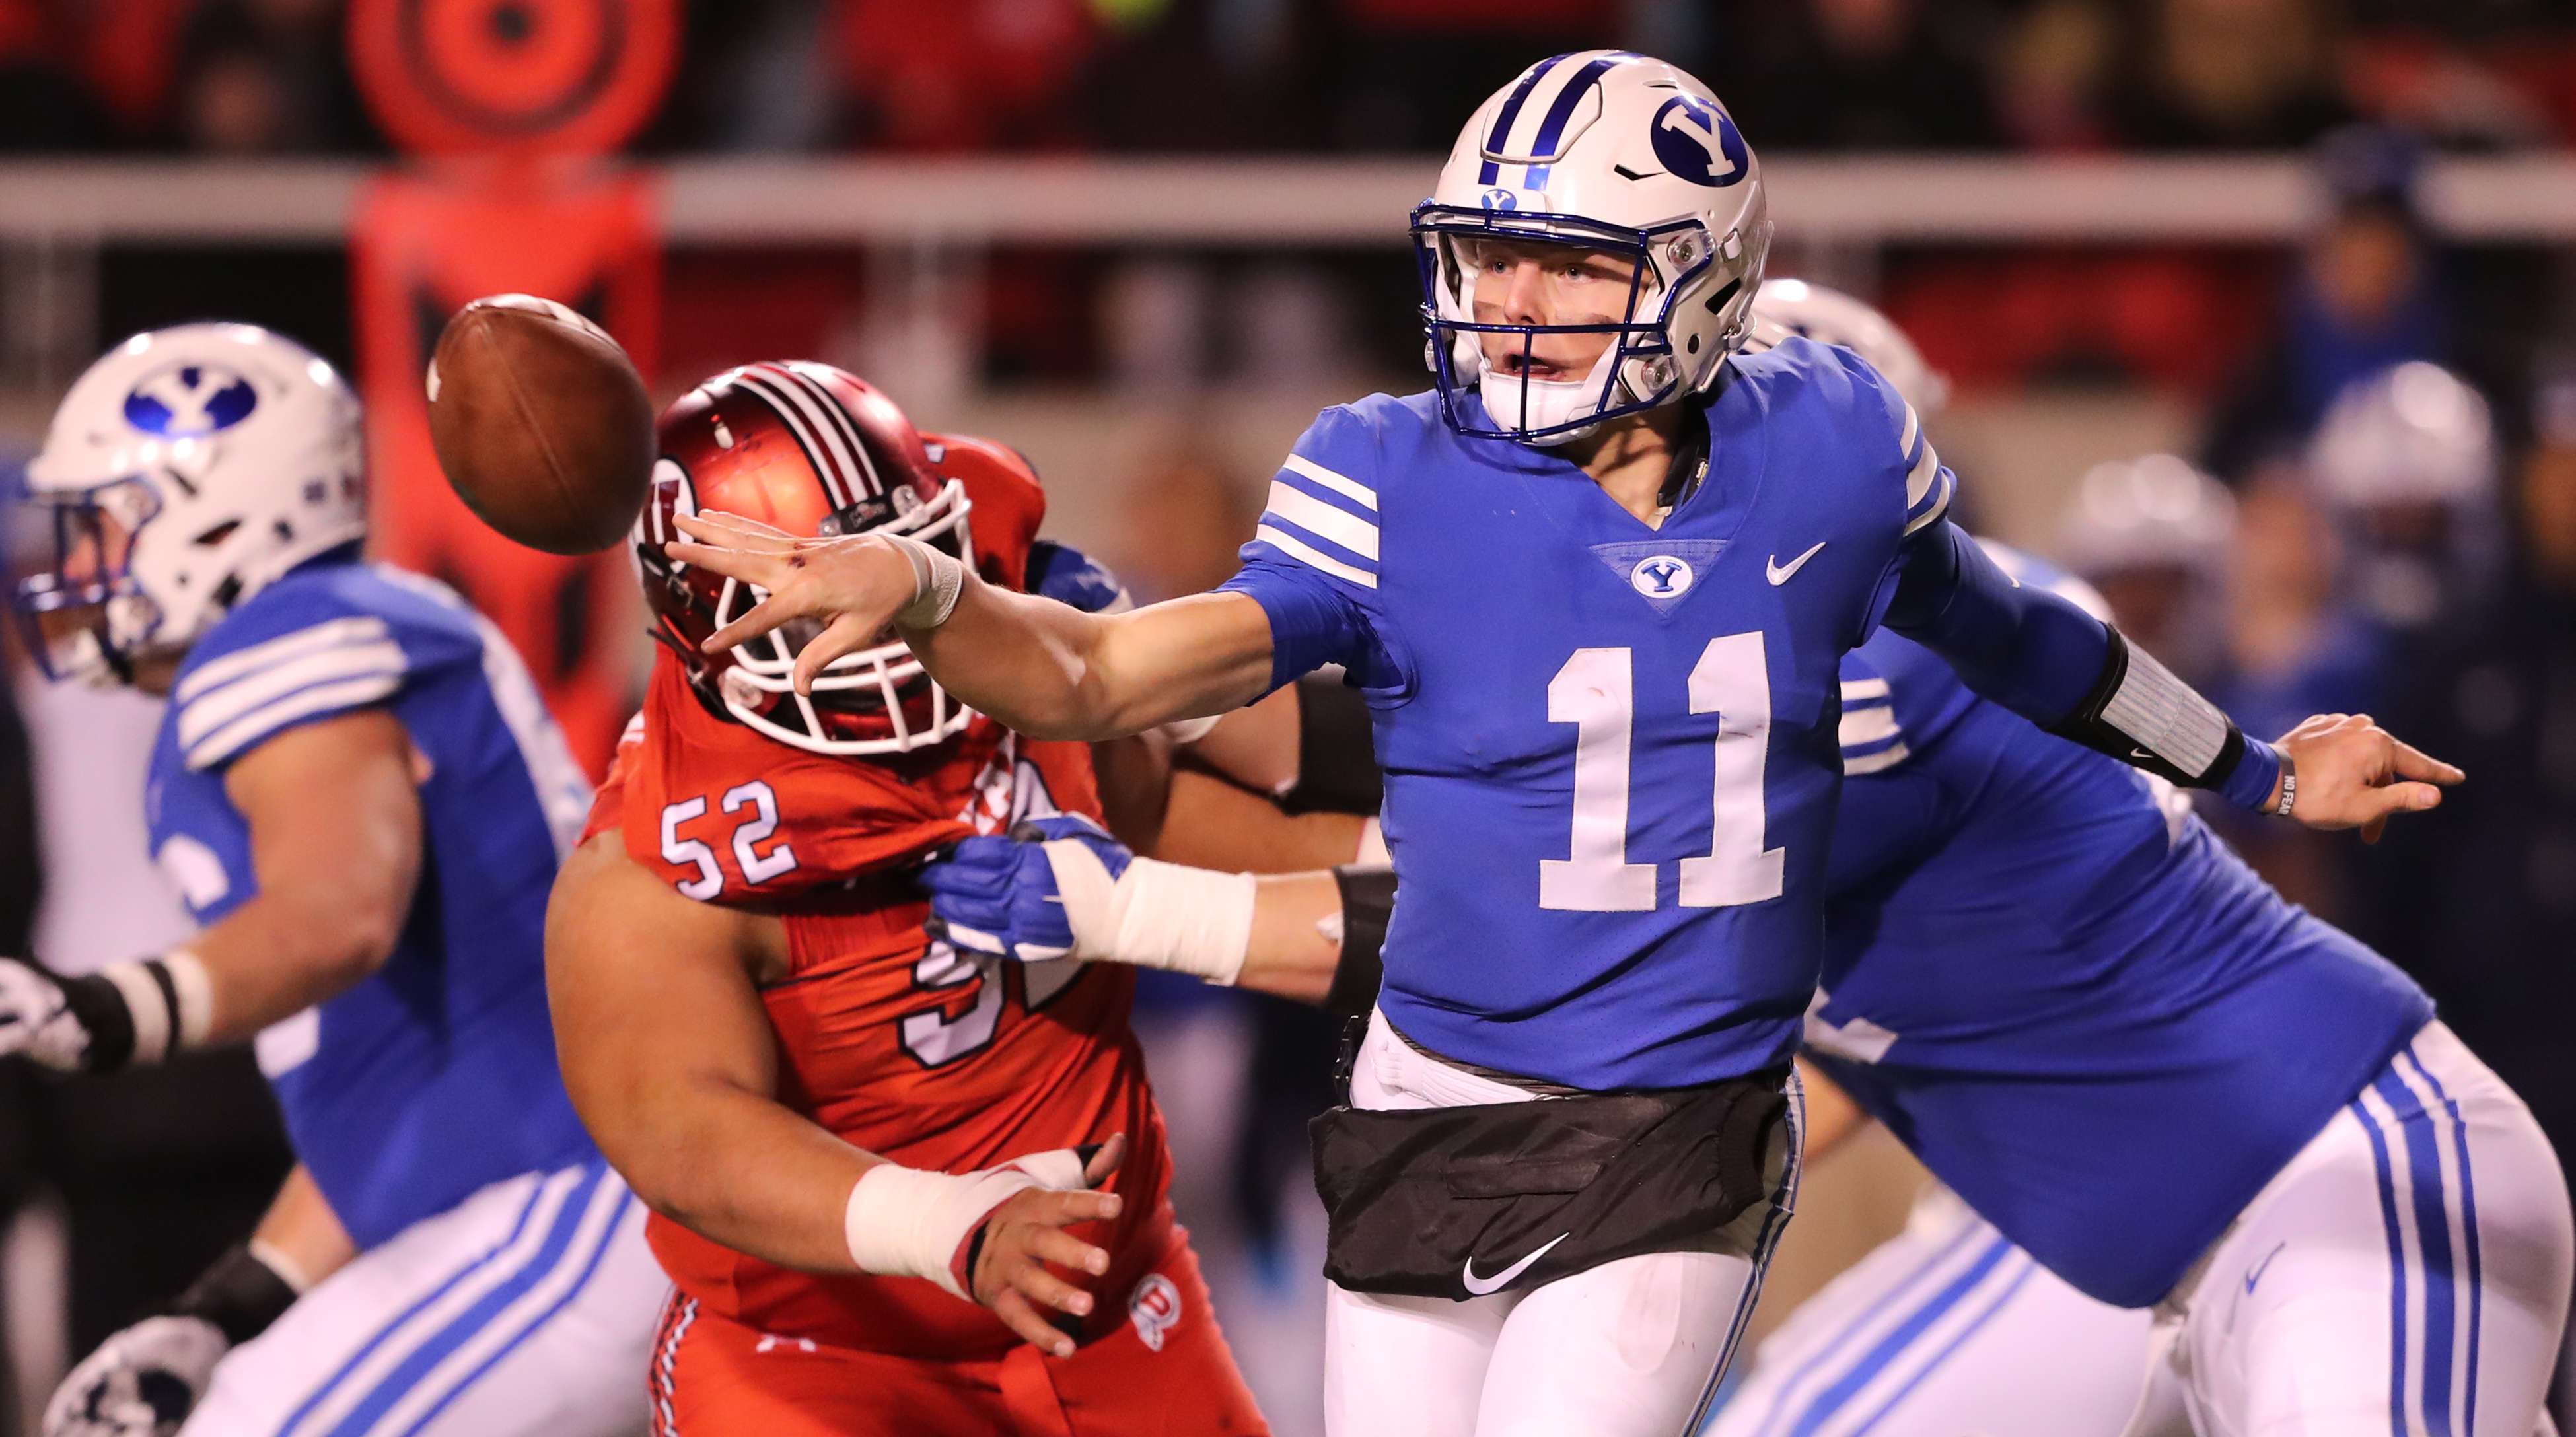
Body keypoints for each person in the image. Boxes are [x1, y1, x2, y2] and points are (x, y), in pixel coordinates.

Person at [664, 53, 2451, 1437]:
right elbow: (1108, 673)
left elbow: (2020, 636)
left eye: (1565, 264)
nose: (1509, 302)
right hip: (1425, 1102)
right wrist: (928, 594)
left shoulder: (1831, 447)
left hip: (1676, 1124)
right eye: (1490, 255)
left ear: (1701, 281)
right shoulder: (1387, 472)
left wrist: (2253, 764)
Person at [919, 279, 2568, 1437]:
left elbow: (1448, 901)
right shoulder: (1715, 678)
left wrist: (1140, 882)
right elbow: (1350, 795)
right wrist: (1070, 655)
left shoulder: (1876, 677)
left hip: (2336, 1174)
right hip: (2134, 1255)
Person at [544, 360, 1268, 1436]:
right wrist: (948, 1223)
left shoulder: (1030, 662)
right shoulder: (657, 860)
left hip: (1108, 1310)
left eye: (891, 566)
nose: (876, 635)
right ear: (708, 621)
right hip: (830, 1351)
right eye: (814, 603)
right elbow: (685, 1135)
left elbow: (1195, 809)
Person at [2, 324, 664, 1437]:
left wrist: (104, 1011)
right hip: (537, 1192)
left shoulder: (289, 638)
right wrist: (226, 1310)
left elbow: (339, 917)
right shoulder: (328, 639)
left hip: (569, 1187)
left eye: (101, 525)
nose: (70, 572)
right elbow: (384, 1093)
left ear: (216, 516)